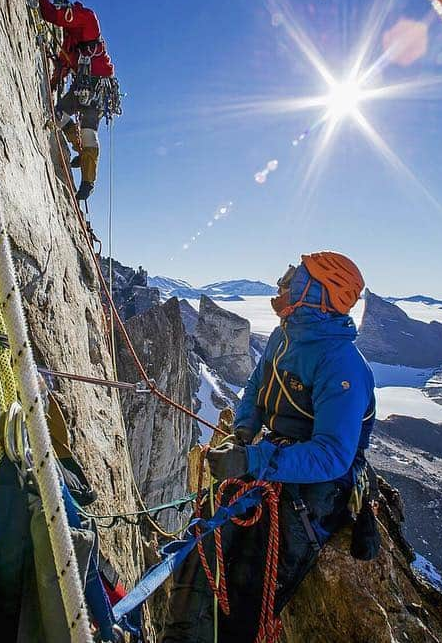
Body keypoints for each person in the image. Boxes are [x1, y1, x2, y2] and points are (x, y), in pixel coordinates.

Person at [162, 251, 377, 643]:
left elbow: (332, 455)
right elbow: (256, 390)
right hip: (276, 456)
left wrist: (254, 459)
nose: (285, 282)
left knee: (248, 576)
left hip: (318, 487)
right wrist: (244, 431)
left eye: (296, 278)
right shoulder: (285, 335)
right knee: (207, 535)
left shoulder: (341, 363)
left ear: (318, 291)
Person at [36, 0, 115, 201]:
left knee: (81, 127)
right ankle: (82, 153)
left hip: (95, 85)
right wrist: (53, 82)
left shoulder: (86, 16)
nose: (58, 6)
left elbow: (53, 15)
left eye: (58, 2)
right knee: (66, 120)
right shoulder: (70, 39)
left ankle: (88, 180)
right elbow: (64, 63)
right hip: (86, 85)